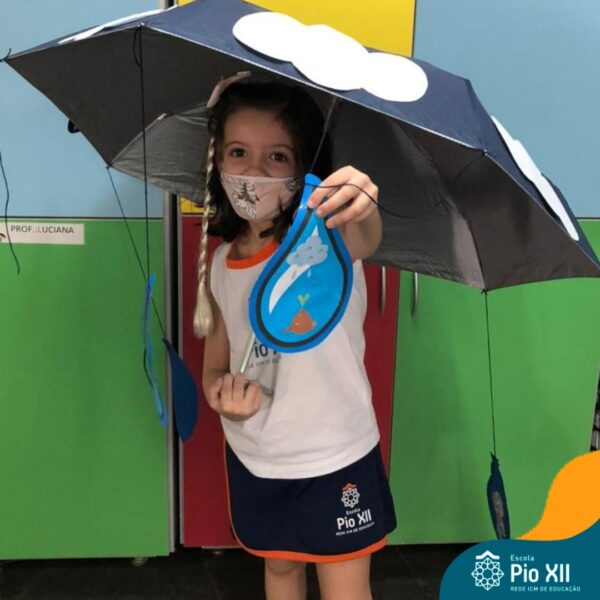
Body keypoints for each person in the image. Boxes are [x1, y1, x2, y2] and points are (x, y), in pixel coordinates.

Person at [194, 80, 396, 600]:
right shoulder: (221, 265)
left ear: (305, 166)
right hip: (259, 454)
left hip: (337, 452)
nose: (255, 172)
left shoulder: (329, 237)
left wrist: (361, 201)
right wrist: (222, 397)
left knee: (345, 586)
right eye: (239, 152)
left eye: (277, 156)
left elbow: (366, 235)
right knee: (280, 569)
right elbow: (215, 366)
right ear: (217, 159)